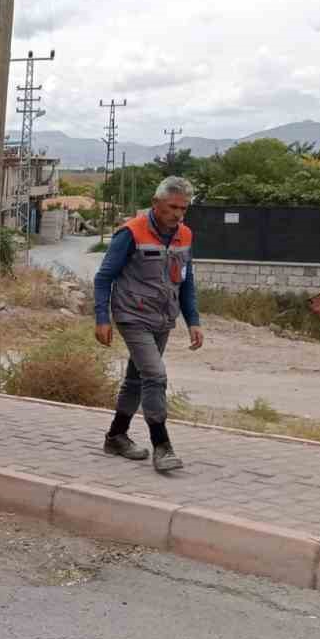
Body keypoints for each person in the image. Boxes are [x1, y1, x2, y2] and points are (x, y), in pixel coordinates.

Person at [93, 175, 204, 473]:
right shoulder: (130, 233)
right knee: (155, 375)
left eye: (184, 208)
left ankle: (116, 436)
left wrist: (193, 320)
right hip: (132, 315)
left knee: (136, 379)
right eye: (172, 207)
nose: (178, 214)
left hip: (163, 318)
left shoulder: (185, 235)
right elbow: (104, 278)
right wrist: (102, 318)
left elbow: (186, 281)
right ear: (156, 204)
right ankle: (162, 445)